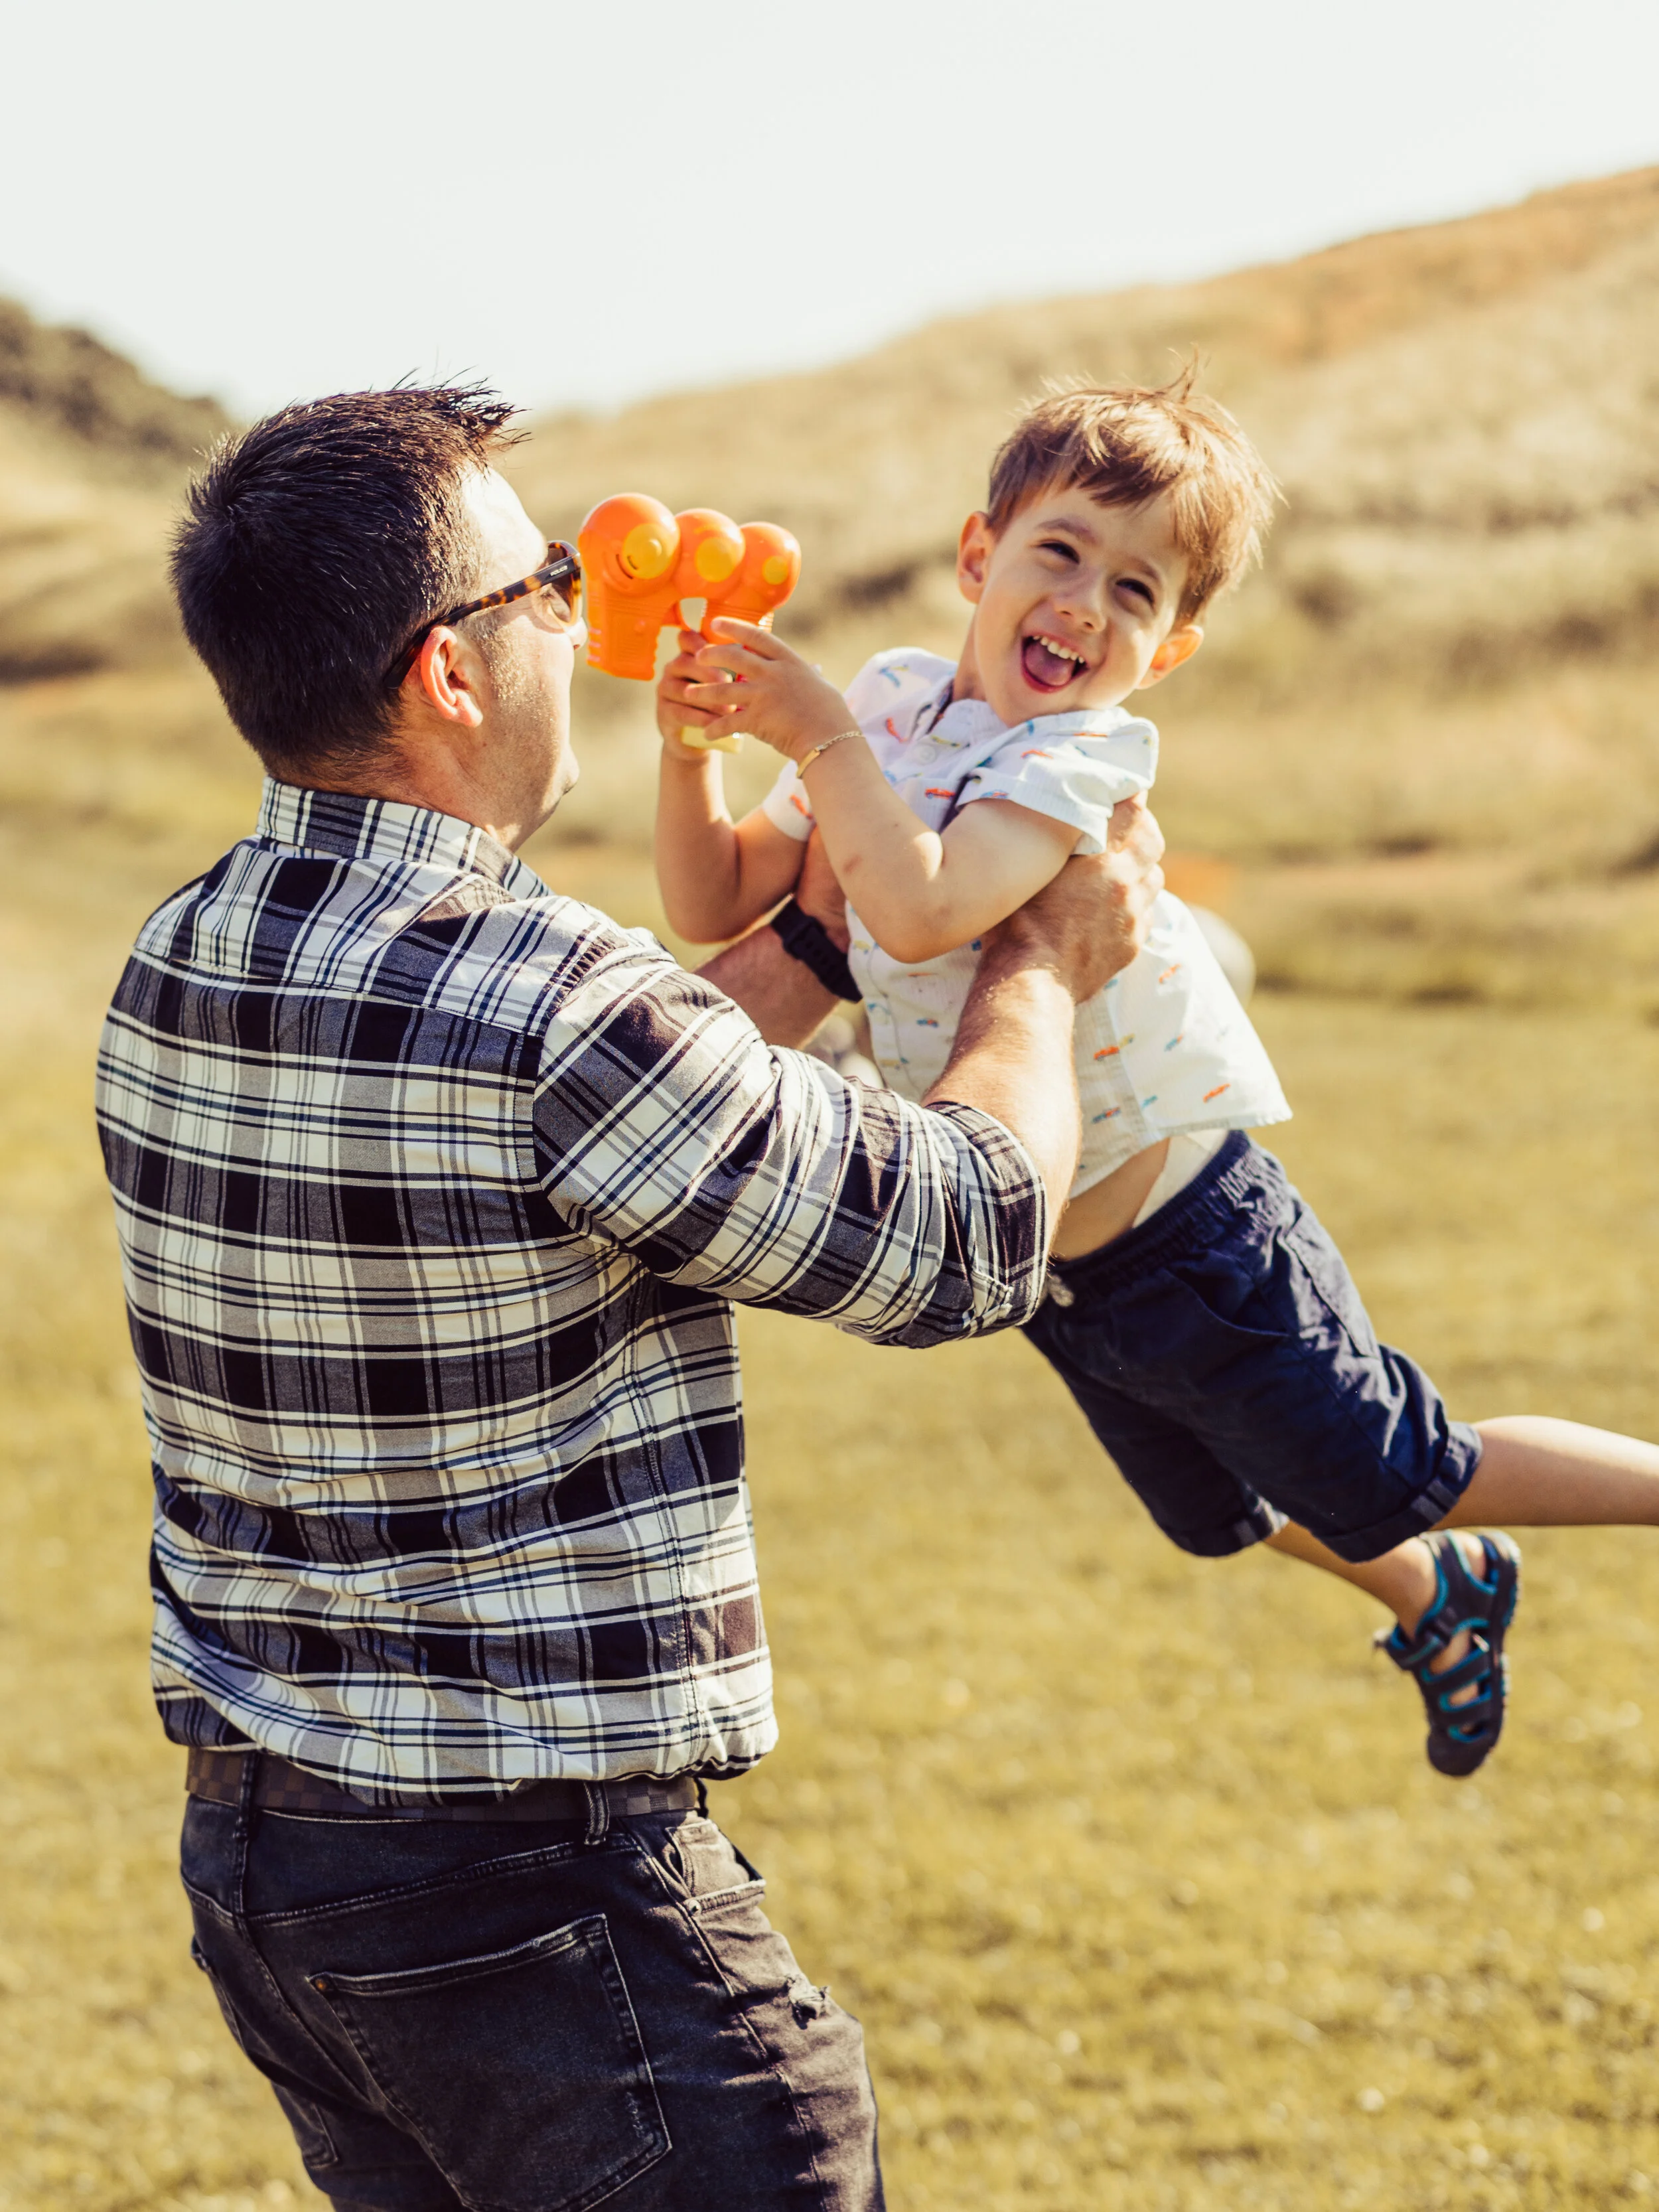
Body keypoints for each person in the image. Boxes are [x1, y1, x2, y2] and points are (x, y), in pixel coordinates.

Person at [92, 384, 1165, 2212]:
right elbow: (972, 1229)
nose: (579, 627)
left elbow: (564, 1131)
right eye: (546, 593)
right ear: (448, 675)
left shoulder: (184, 954)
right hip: (539, 1906)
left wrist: (820, 945)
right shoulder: (546, 998)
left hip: (275, 1870)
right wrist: (1039, 973)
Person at [653, 372, 1659, 1782]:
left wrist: (812, 736)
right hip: (1055, 1262)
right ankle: (1444, 1591)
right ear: (974, 558)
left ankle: (1529, 1526)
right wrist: (691, 753)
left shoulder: (1079, 754)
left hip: (1190, 1233)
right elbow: (715, 899)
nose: (1082, 602)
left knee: (1398, 1464)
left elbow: (925, 906)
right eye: (1058, 553)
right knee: (1218, 1510)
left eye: (1135, 590)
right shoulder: (886, 699)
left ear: (1167, 648)